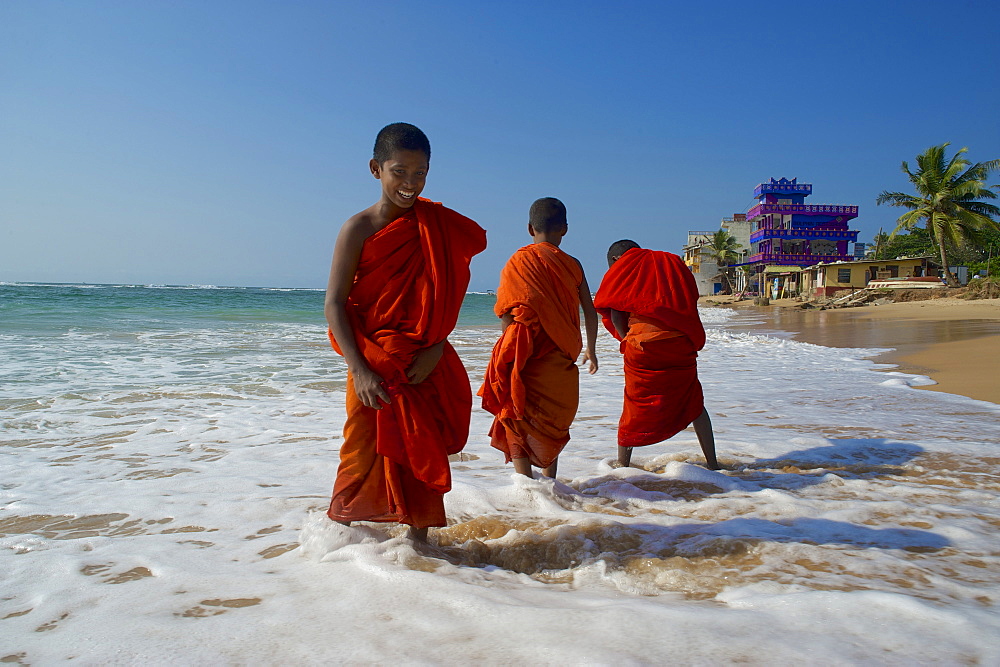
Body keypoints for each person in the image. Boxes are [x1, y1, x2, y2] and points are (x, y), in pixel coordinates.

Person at [323, 123, 487, 542]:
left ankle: (420, 553)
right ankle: (340, 550)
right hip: (372, 358)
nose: (410, 183)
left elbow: (444, 296)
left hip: (421, 358)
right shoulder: (357, 228)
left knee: (420, 447)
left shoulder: (437, 227)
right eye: (400, 171)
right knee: (361, 449)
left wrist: (434, 346)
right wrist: (359, 370)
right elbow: (335, 304)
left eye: (420, 173)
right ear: (376, 169)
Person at [479, 197, 598, 479]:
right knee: (552, 421)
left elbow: (507, 313)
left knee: (516, 415)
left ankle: (525, 489)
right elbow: (590, 313)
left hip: (526, 356)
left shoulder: (519, 261)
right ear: (565, 229)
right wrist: (591, 349)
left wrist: (510, 351)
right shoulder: (573, 264)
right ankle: (550, 485)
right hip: (560, 355)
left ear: (530, 228)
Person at [593, 240, 719, 470]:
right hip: (680, 343)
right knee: (693, 402)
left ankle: (623, 466)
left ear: (615, 261)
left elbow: (616, 315)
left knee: (634, 403)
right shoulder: (669, 262)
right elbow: (688, 300)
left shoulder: (625, 267)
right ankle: (713, 463)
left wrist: (627, 341)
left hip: (644, 347)